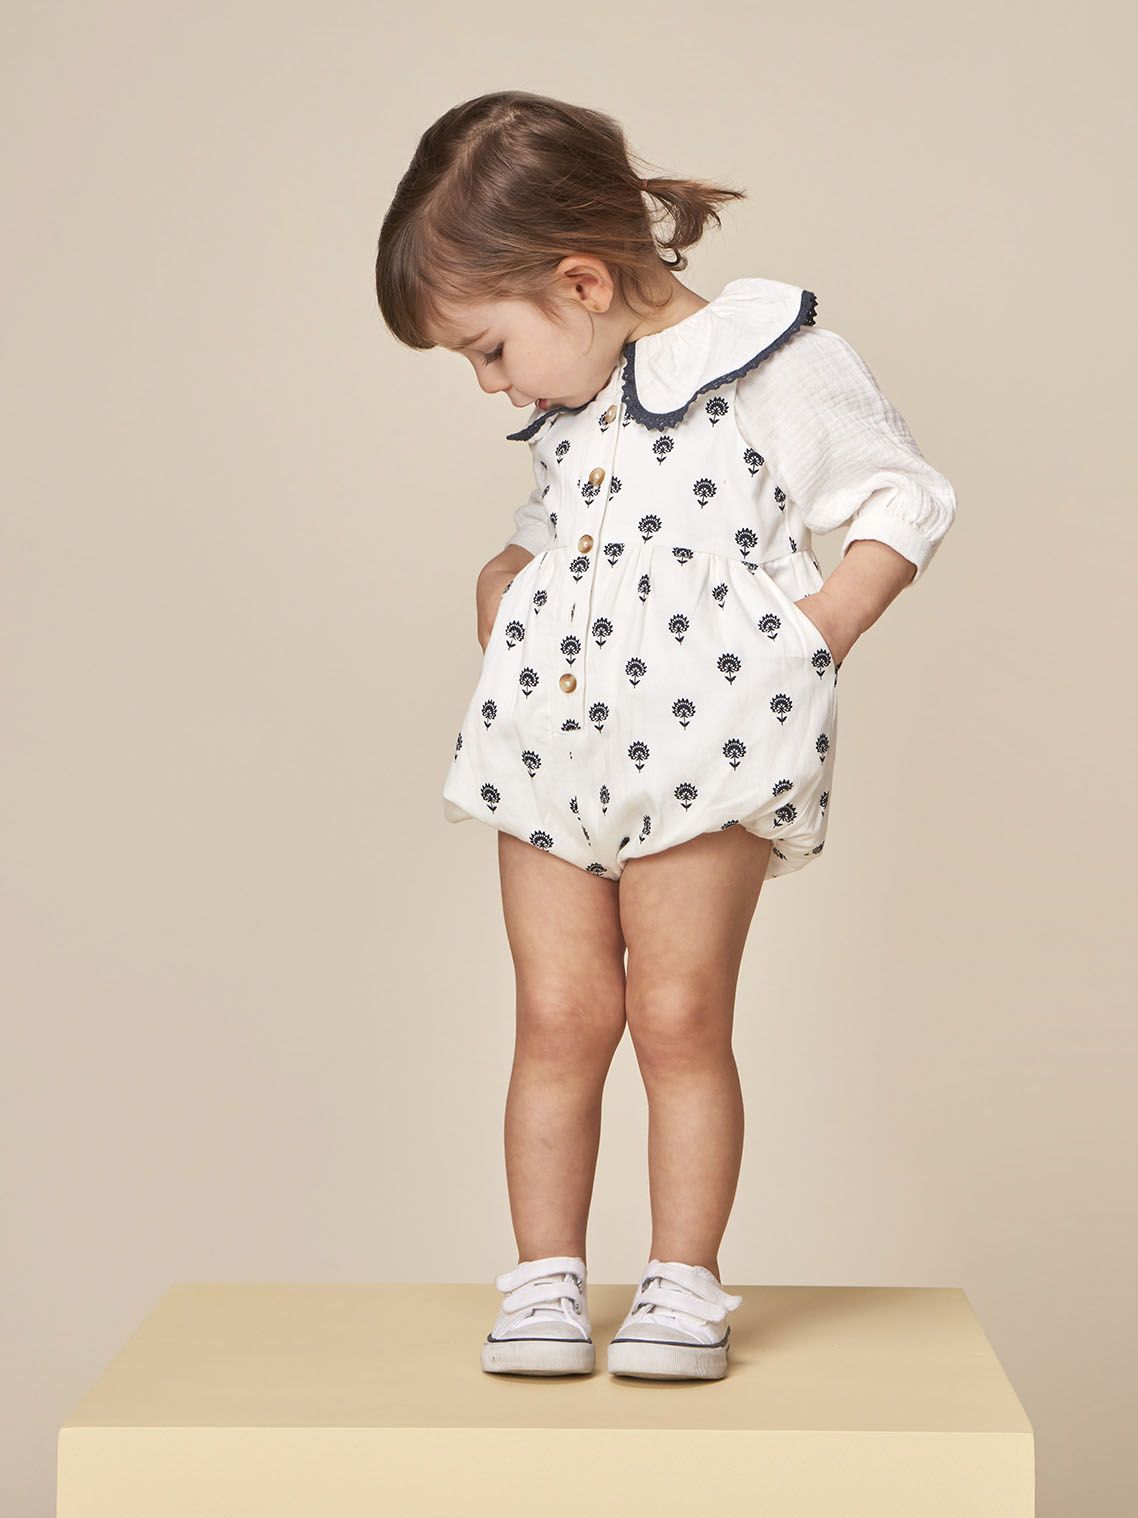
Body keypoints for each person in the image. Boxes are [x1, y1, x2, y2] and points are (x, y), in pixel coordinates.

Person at [374, 91, 957, 1382]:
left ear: (581, 282)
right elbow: (559, 524)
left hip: (707, 748)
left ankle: (682, 1287)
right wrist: (504, 574)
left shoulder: (771, 362)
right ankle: (543, 1282)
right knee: (557, 1013)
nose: (490, 385)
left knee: (679, 1014)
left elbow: (899, 497)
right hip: (550, 744)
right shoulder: (578, 399)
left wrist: (811, 639)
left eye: (487, 349)